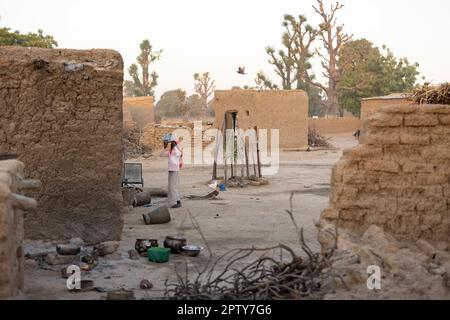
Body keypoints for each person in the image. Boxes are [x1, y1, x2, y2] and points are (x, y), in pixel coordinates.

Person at [160, 133, 183, 208]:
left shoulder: (176, 150)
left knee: (172, 187)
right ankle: (177, 200)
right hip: (171, 170)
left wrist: (174, 144)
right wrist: (165, 146)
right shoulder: (170, 152)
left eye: (169, 143)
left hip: (175, 170)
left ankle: (177, 202)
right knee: (171, 186)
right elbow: (161, 154)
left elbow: (179, 154)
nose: (168, 144)